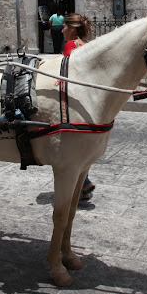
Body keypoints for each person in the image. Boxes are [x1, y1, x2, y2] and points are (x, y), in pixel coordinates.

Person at [61, 13, 96, 201]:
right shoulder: (84, 45)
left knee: (69, 149)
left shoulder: (70, 45)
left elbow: (66, 74)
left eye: (65, 27)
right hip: (85, 101)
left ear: (72, 29)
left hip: (72, 101)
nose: (62, 30)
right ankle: (83, 185)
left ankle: (83, 182)